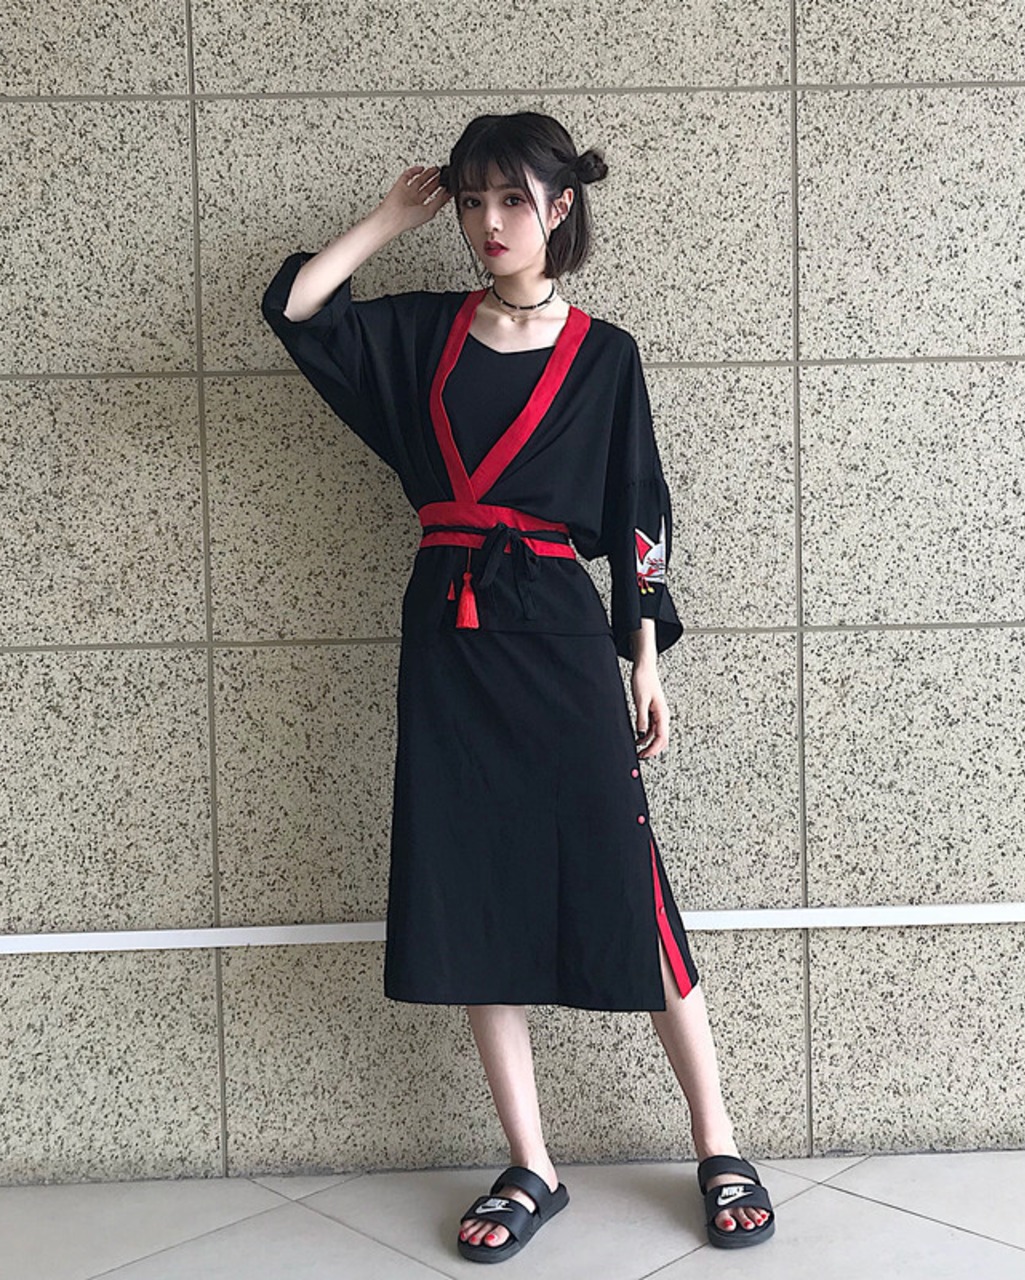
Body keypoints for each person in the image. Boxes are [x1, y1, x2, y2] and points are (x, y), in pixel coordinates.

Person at [260, 110, 776, 1263]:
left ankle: (717, 1138)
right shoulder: (420, 335)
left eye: (510, 199)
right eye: (471, 201)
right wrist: (389, 217)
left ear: (559, 207)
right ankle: (531, 1161)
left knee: (628, 878)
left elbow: (638, 515)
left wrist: (642, 657)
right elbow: (297, 307)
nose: (488, 223)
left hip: (556, 632)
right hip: (447, 635)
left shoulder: (605, 355)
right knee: (470, 882)